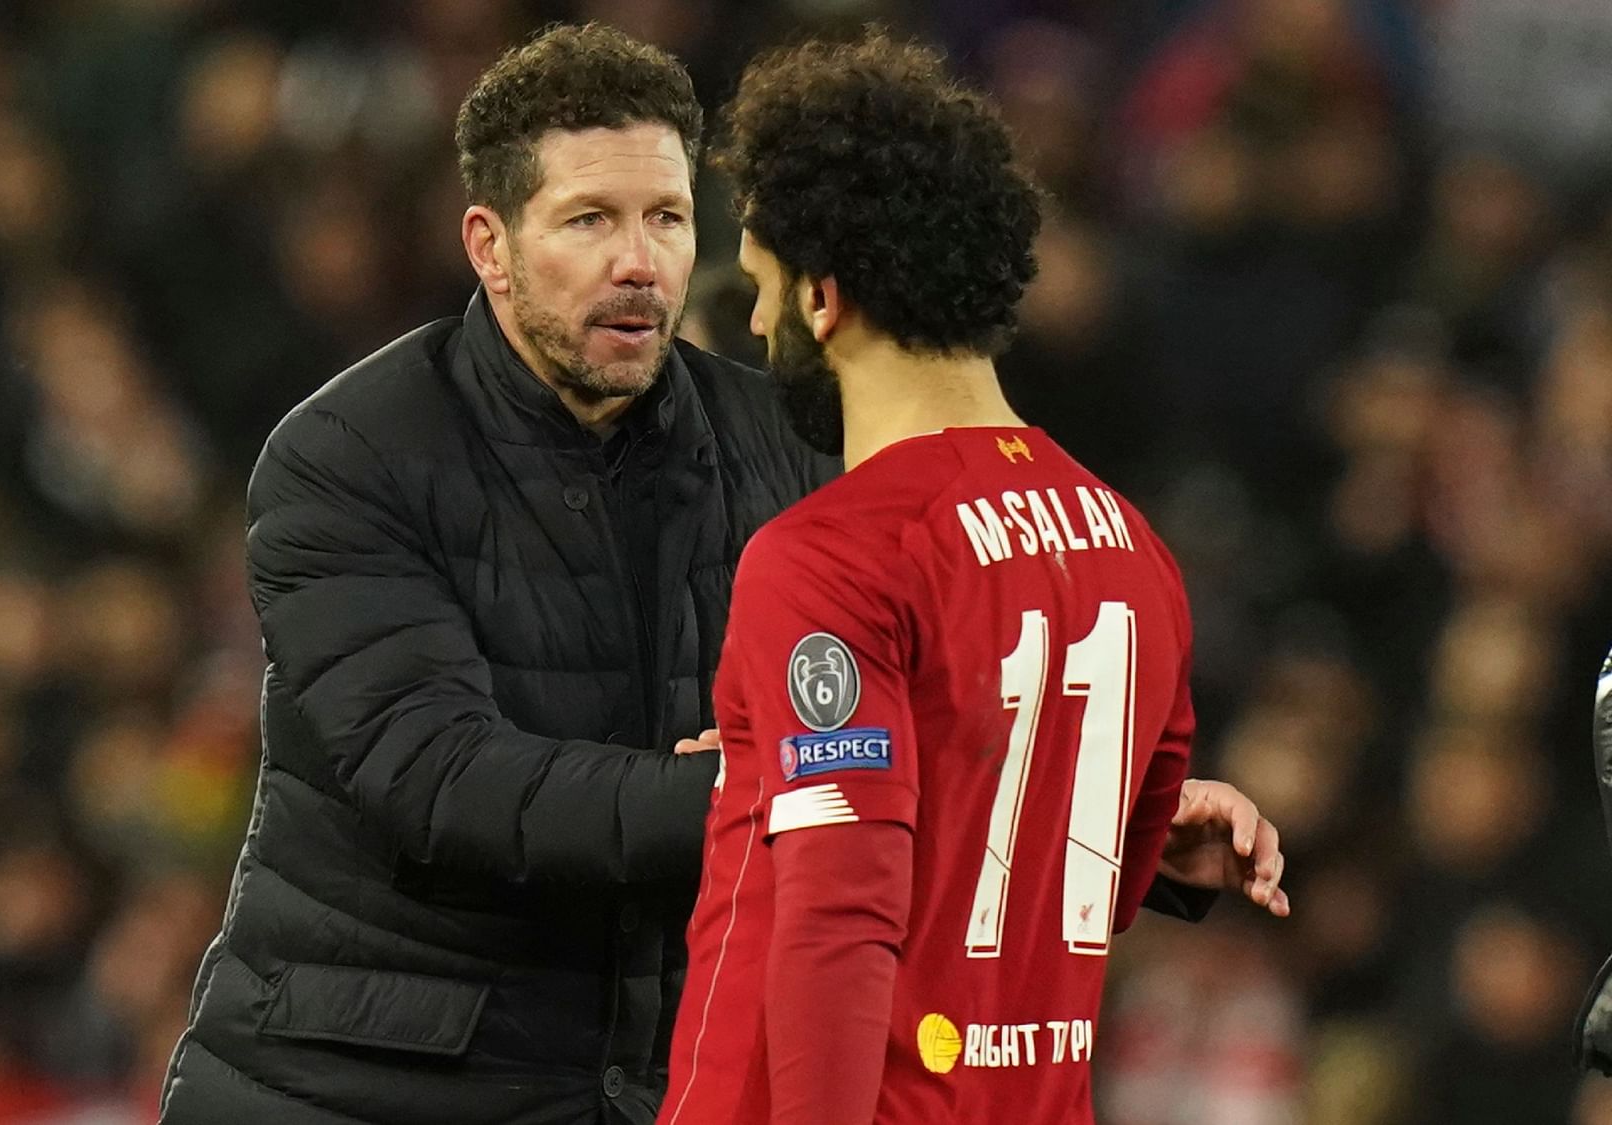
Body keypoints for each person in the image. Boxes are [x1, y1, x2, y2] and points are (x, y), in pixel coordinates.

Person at [161, 24, 1284, 1125]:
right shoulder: (348, 457)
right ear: (487, 244)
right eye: (588, 220)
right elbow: (444, 781)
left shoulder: (787, 451)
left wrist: (1098, 808)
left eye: (665, 218)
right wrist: (786, 791)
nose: (638, 262)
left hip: (632, 1085)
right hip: (361, 1084)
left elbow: (888, 750)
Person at [662, 33, 1268, 1125]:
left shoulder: (827, 558)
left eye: (757, 284)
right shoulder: (1129, 548)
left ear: (822, 298)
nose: (748, 321)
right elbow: (1107, 867)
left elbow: (835, 920)